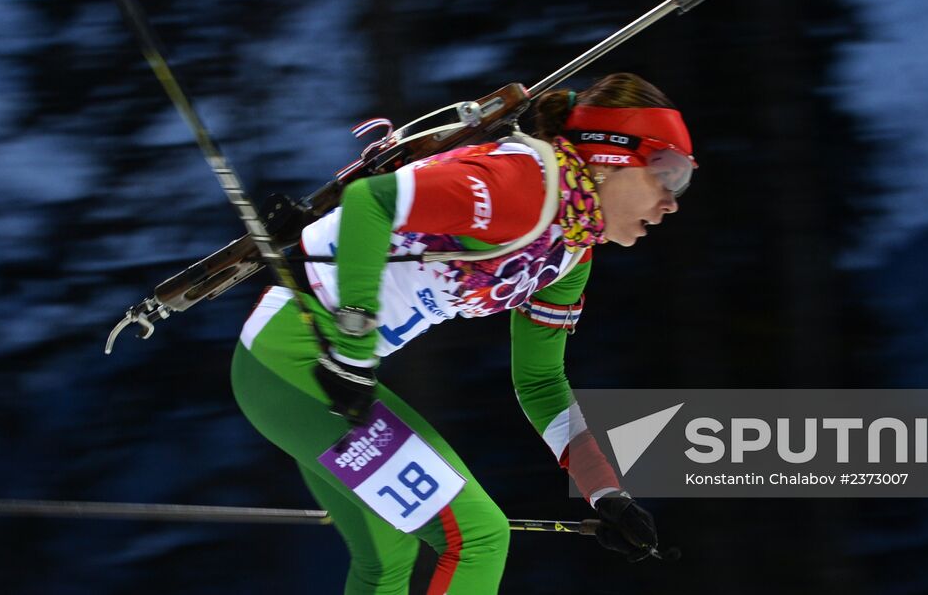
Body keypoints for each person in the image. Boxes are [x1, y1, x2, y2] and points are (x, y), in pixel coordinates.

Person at [231, 72, 695, 594]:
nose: (673, 200)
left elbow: (541, 384)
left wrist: (606, 493)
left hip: (307, 373)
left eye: (683, 180)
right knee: (478, 538)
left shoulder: (571, 255)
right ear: (610, 155)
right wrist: (355, 352)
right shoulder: (519, 186)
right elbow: (371, 201)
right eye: (667, 172)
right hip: (297, 356)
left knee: (387, 558)